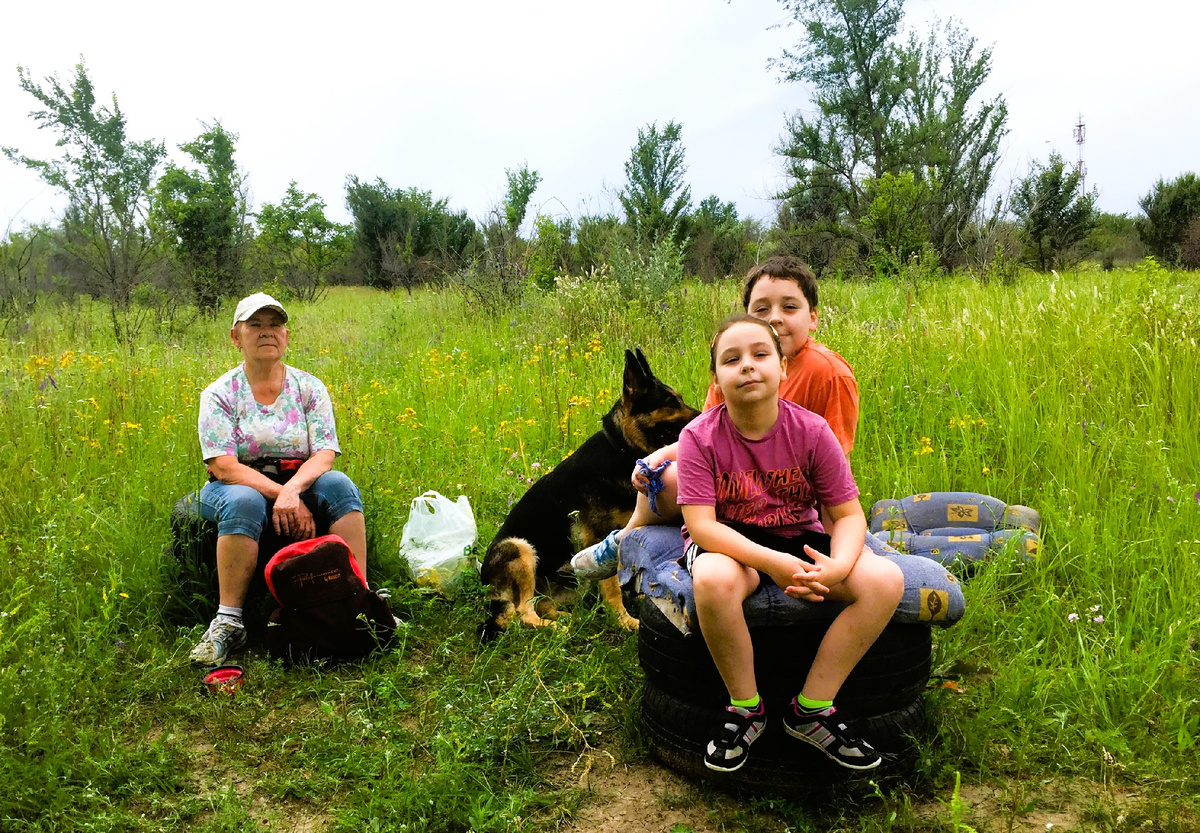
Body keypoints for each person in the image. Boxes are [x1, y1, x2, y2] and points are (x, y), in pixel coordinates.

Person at [676, 315, 902, 772]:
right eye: (731, 359)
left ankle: (813, 708)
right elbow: (702, 527)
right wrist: (772, 564)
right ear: (715, 379)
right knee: (713, 578)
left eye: (760, 355)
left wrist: (838, 566)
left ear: (783, 368)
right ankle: (745, 707)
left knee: (885, 580)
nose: (747, 367)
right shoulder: (698, 437)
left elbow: (847, 515)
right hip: (730, 541)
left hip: (799, 534)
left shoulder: (813, 431)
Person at [572, 255, 858, 577]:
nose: (775, 318)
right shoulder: (735, 369)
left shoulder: (829, 374)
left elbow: (837, 467)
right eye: (762, 310)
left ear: (813, 317)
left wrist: (836, 553)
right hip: (732, 487)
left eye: (789, 308)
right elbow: (708, 440)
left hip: (788, 494)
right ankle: (625, 538)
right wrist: (662, 454)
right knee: (666, 476)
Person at [190, 292, 369, 665]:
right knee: (244, 501)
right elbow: (223, 465)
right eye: (255, 325)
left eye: (275, 325)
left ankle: (359, 600)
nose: (266, 332)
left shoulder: (309, 387)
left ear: (286, 336)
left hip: (297, 478)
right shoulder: (220, 393)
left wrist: (293, 490)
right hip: (233, 485)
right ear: (236, 337)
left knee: (340, 486)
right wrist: (282, 494)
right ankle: (229, 622)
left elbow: (324, 452)